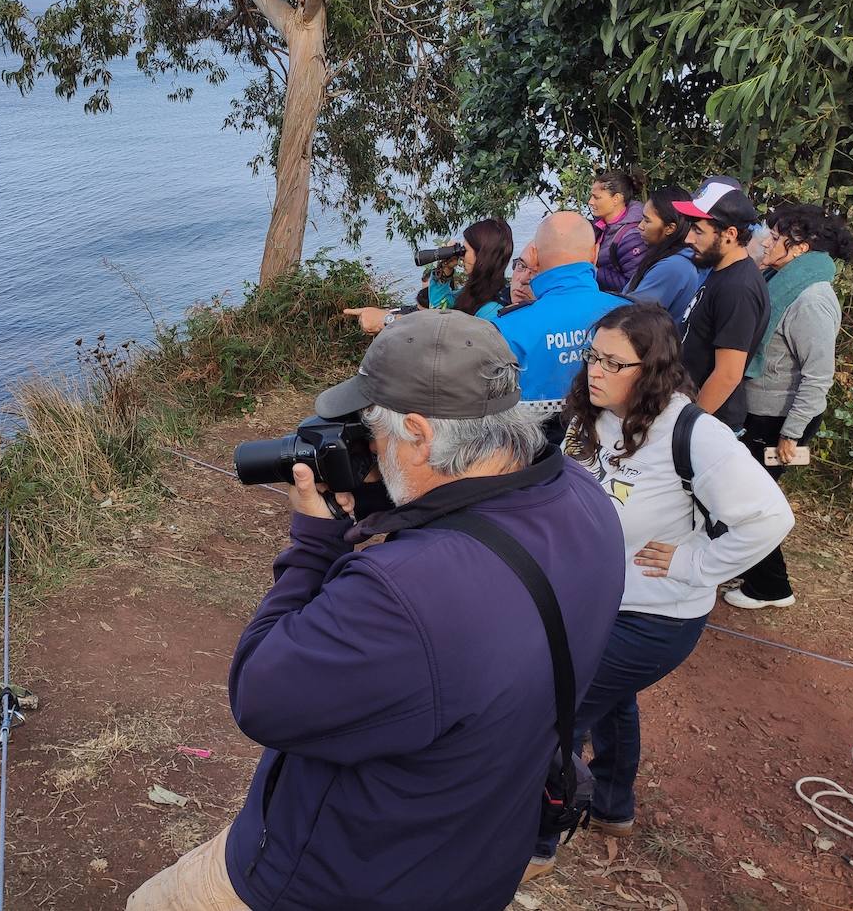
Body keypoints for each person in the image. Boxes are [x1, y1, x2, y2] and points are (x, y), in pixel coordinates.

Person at [127, 311, 626, 911]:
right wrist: (398, 504)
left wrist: (314, 543)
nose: (369, 448)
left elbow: (261, 696)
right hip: (475, 857)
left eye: (374, 431)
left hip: (338, 880)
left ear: (419, 432)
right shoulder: (582, 497)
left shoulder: (407, 592)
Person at [526, 302, 794, 880]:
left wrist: (696, 562)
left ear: (652, 370)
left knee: (556, 716)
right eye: (592, 356)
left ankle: (536, 844)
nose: (595, 371)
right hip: (596, 603)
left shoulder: (693, 434)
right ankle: (611, 808)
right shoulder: (593, 416)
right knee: (612, 702)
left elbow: (770, 517)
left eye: (613, 363)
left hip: (653, 617)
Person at [726, 204, 853, 610]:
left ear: (800, 248)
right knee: (745, 494)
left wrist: (792, 435)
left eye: (775, 236)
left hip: (780, 422)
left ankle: (771, 587)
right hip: (762, 413)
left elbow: (818, 376)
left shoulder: (812, 299)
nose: (766, 241)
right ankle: (752, 570)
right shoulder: (778, 281)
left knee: (751, 502)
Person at [492, 211, 629, 430]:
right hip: (621, 446)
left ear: (535, 257)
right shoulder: (633, 314)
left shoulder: (505, 328)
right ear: (595, 253)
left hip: (537, 447)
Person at [675, 176, 770, 431]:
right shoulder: (722, 271)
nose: (688, 239)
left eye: (698, 231)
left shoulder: (738, 288)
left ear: (730, 234)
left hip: (710, 424)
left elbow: (728, 375)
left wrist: (687, 425)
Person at [343, 217, 512, 334]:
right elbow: (439, 310)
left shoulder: (492, 310)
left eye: (465, 250)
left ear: (482, 256)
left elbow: (443, 335)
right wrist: (445, 269)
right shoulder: (476, 292)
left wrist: (388, 320)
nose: (461, 256)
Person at [622, 185, 704, 321]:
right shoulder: (668, 257)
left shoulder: (675, 266)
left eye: (647, 220)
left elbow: (631, 316)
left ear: (670, 228)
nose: (640, 226)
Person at [588, 168, 649, 293]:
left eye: (596, 197)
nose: (590, 202)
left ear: (616, 198)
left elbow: (633, 286)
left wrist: (593, 270)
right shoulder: (601, 225)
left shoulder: (632, 237)